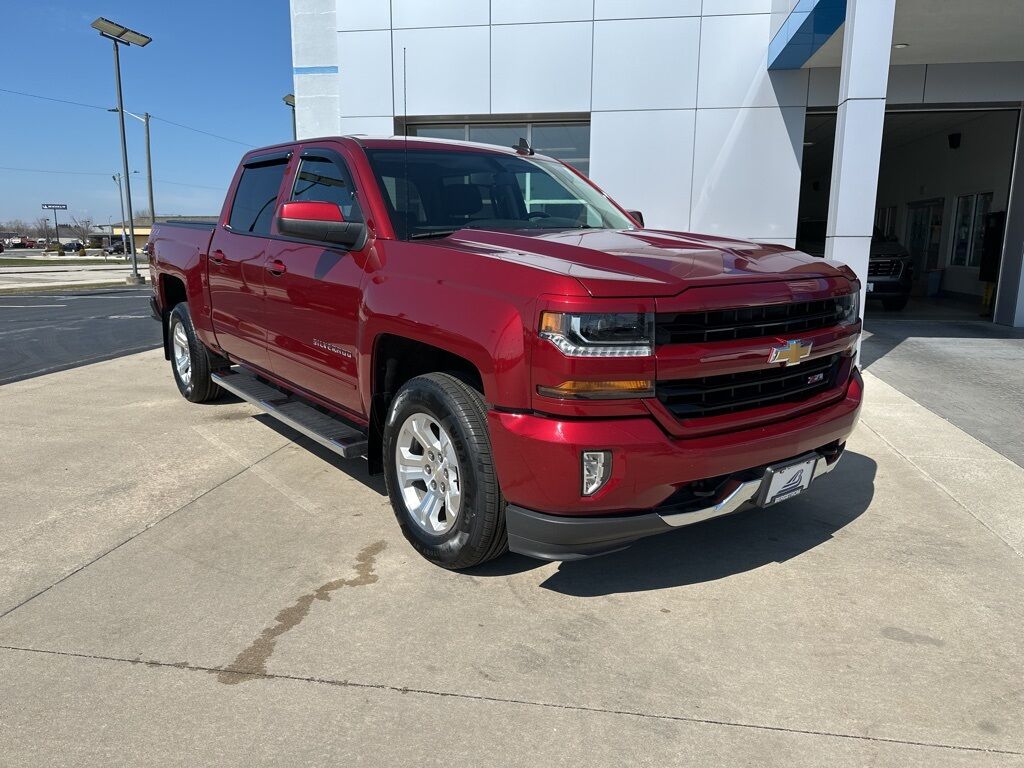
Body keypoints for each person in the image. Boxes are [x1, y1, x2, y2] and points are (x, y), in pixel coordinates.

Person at [979, 211, 1006, 318]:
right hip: (992, 265)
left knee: (990, 286)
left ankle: (988, 306)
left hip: (992, 265)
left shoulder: (994, 239)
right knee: (990, 285)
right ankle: (987, 306)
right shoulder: (994, 239)